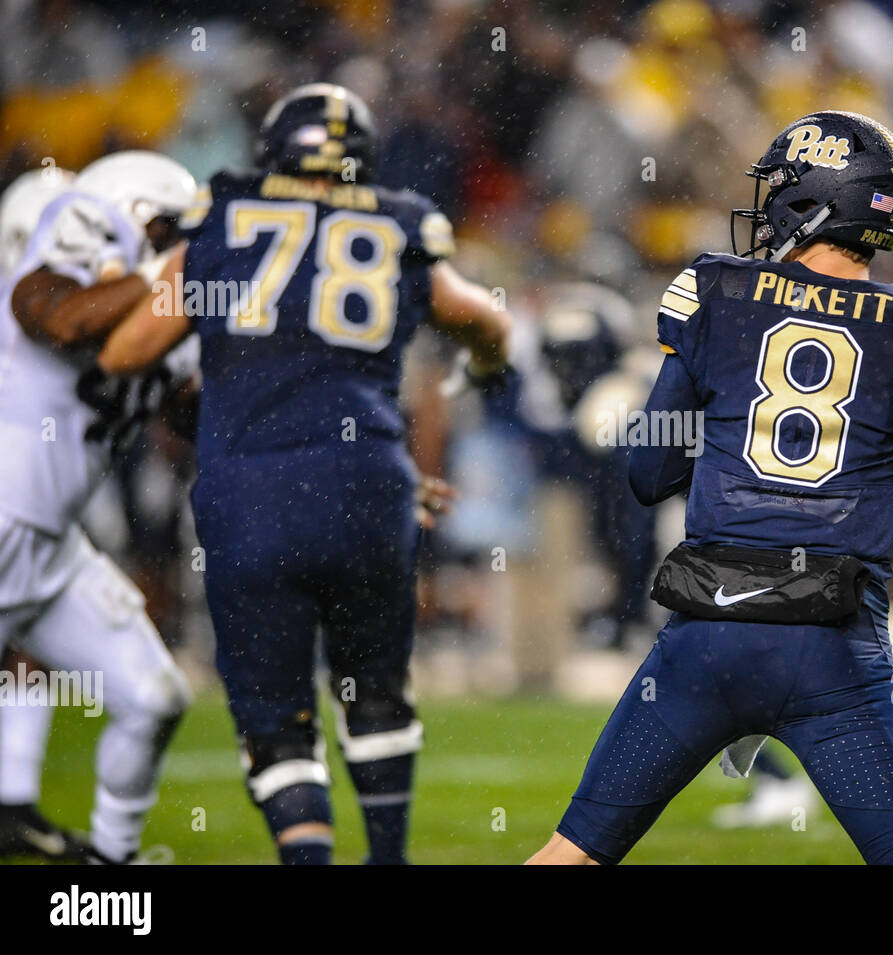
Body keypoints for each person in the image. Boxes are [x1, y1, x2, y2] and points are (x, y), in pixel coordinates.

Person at [529, 111, 893, 865]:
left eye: (781, 186)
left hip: (707, 636)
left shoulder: (718, 292)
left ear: (815, 199)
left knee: (571, 854)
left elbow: (651, 475)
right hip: (834, 645)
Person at [96, 84, 511, 865]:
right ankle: (387, 856)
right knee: (377, 689)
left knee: (275, 710)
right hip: (370, 484)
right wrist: (483, 363)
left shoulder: (221, 218)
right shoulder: (398, 220)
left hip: (250, 490)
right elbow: (486, 321)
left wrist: (212, 384)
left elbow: (125, 351)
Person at [0, 156, 195, 863]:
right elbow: (64, 318)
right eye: (168, 229)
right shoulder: (54, 282)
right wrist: (163, 271)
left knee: (154, 697)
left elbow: (203, 418)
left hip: (52, 546)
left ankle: (111, 872)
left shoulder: (158, 312)